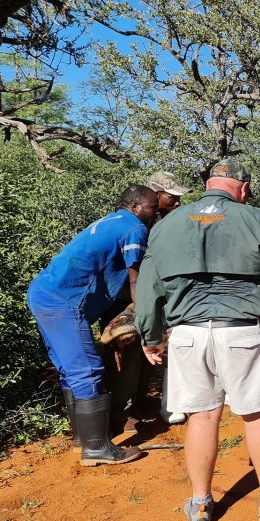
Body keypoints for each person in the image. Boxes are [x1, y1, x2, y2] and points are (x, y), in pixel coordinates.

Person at [134, 158, 260, 521]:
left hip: (189, 336)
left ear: (208, 183)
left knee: (202, 416)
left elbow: (149, 286)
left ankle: (200, 505)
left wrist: (149, 336)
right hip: (244, 331)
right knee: (258, 415)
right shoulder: (256, 217)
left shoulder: (166, 225)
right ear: (242, 188)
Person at [27, 185, 158, 466]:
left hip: (43, 293)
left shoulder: (112, 221)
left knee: (68, 368)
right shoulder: (134, 228)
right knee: (87, 369)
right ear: (136, 206)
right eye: (152, 207)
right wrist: (145, 319)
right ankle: (97, 447)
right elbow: (135, 281)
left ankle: (82, 439)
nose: (154, 212)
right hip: (64, 301)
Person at [102, 170, 194, 432]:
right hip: (126, 299)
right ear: (155, 195)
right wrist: (143, 311)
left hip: (151, 297)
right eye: (171, 197)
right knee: (127, 351)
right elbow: (135, 276)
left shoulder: (164, 222)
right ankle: (118, 413)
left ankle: (139, 403)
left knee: (150, 352)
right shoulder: (138, 224)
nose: (177, 202)